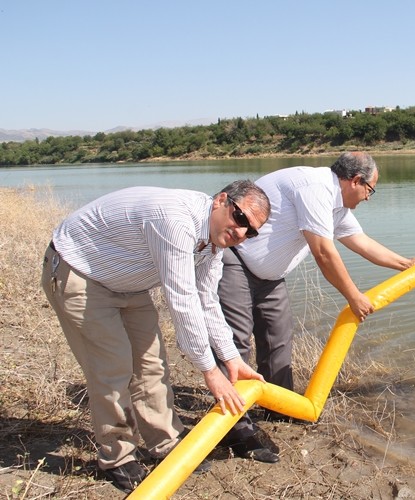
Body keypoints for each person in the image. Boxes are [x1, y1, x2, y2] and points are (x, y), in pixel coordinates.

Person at [41, 181, 271, 493]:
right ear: (221, 201)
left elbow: (207, 299)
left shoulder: (215, 241)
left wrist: (230, 357)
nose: (242, 233)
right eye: (241, 219)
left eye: (251, 231)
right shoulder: (176, 220)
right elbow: (183, 300)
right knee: (113, 368)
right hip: (80, 273)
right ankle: (116, 456)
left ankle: (165, 442)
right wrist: (210, 371)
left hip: (128, 282)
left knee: (152, 365)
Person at [217, 152, 415, 455]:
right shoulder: (315, 187)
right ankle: (235, 429)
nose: (369, 198)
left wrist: (407, 264)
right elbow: (323, 252)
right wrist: (354, 296)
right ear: (356, 180)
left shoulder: (336, 206)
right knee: (236, 342)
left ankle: (278, 406)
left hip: (269, 276)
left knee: (278, 338)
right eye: (370, 190)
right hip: (236, 260)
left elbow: (361, 242)